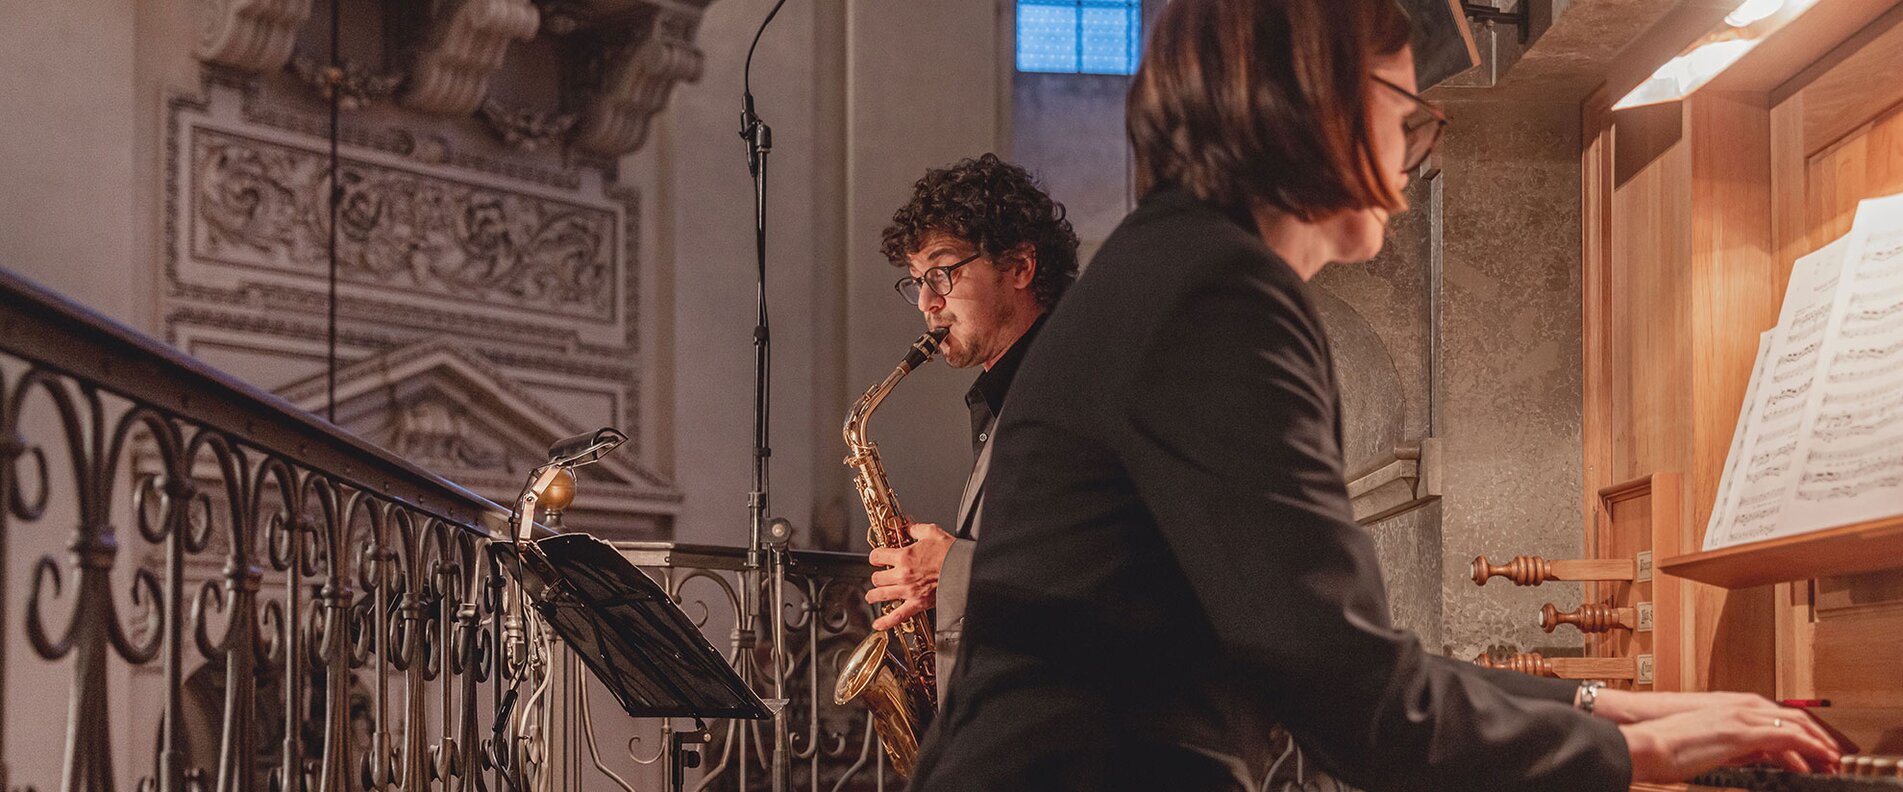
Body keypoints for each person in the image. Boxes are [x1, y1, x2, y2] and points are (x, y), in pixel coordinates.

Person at [907, 1, 1844, 790]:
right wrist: (1637, 750)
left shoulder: (1177, 266)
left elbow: (1319, 650)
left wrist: (1611, 702)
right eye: (1405, 108)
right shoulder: (1216, 293)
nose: (1409, 155)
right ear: (1313, 103)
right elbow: (1352, 700)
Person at [863, 153, 1079, 699]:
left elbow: (1111, 569)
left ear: (1021, 267)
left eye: (943, 272)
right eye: (915, 282)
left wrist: (952, 568)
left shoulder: (1079, 386)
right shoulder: (1013, 393)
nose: (927, 304)